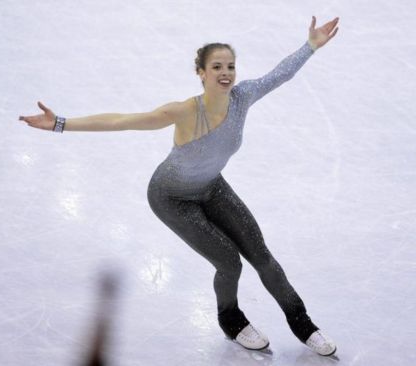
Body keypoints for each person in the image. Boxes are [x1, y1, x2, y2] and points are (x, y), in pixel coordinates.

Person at [19, 16, 340, 357]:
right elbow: (121, 121)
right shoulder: (185, 112)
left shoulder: (242, 97)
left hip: (212, 187)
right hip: (170, 198)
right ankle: (231, 320)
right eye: (216, 66)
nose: (225, 72)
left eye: (230, 65)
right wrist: (60, 124)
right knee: (230, 262)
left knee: (262, 257)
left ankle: (303, 324)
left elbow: (280, 74)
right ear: (201, 73)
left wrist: (310, 46)